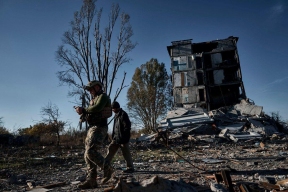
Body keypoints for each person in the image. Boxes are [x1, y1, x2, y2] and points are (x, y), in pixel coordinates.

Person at [75, 80, 114, 189]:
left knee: (91, 152)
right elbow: (91, 111)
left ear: (97, 87)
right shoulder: (94, 99)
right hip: (93, 127)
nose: (90, 91)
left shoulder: (103, 97)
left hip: (100, 127)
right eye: (89, 90)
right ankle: (92, 180)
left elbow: (97, 108)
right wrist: (83, 114)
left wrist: (84, 110)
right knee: (87, 155)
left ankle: (108, 168)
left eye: (91, 89)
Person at [104, 101, 134, 174]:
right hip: (116, 138)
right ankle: (105, 165)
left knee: (126, 153)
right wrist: (114, 137)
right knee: (110, 150)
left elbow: (127, 127)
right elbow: (115, 127)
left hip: (123, 139)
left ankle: (130, 168)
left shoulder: (123, 114)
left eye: (113, 109)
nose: (112, 110)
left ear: (116, 108)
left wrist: (125, 138)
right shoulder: (116, 115)